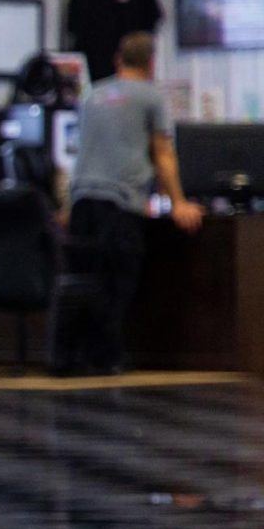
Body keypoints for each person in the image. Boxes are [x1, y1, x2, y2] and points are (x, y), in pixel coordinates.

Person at [61, 31, 204, 374]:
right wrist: (179, 203)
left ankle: (71, 358)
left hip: (81, 202)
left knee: (82, 283)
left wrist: (67, 206)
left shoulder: (93, 95)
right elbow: (163, 154)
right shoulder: (151, 98)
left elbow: (81, 154)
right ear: (152, 63)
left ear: (117, 59)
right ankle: (106, 361)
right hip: (120, 204)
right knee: (116, 284)